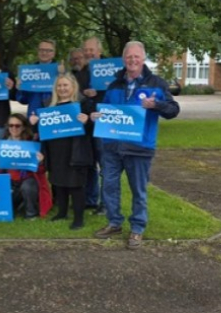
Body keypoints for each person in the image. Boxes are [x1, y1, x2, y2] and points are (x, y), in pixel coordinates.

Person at [90, 41, 180, 249]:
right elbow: (107, 112)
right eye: (129, 57)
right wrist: (97, 115)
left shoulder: (156, 83)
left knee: (138, 190)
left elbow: (173, 110)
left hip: (139, 148)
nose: (132, 60)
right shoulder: (114, 84)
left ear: (143, 58)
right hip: (112, 147)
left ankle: (137, 228)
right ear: (124, 59)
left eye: (136, 57)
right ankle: (114, 222)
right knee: (109, 187)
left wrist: (155, 105)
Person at [40, 74, 94, 230]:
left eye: (65, 85)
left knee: (76, 185)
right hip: (55, 151)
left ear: (73, 88)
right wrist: (35, 123)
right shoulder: (49, 106)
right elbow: (44, 131)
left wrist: (88, 122)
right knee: (58, 182)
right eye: (59, 86)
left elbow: (93, 130)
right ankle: (62, 212)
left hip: (76, 151)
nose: (62, 89)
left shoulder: (84, 105)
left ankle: (79, 218)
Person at [0, 113, 51, 219]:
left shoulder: (31, 144)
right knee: (6, 207)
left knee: (27, 186)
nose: (14, 128)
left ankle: (31, 213)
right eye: (11, 125)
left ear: (23, 127)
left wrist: (40, 162)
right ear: (8, 127)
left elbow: (41, 171)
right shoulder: (4, 145)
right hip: (10, 182)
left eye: (17, 125)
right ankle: (19, 204)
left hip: (28, 180)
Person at [77, 37, 106, 215]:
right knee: (88, 164)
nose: (88, 53)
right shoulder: (82, 72)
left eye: (91, 50)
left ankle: (105, 203)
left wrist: (99, 92)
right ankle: (90, 200)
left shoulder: (112, 69)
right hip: (85, 123)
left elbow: (117, 93)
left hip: (104, 124)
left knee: (105, 165)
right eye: (86, 50)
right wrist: (83, 93)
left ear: (99, 51)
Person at [16, 39, 58, 118]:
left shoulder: (60, 72)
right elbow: (23, 100)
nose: (44, 53)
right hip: (33, 116)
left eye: (48, 50)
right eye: (41, 50)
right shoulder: (28, 73)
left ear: (53, 53)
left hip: (55, 116)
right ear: (37, 52)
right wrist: (20, 89)